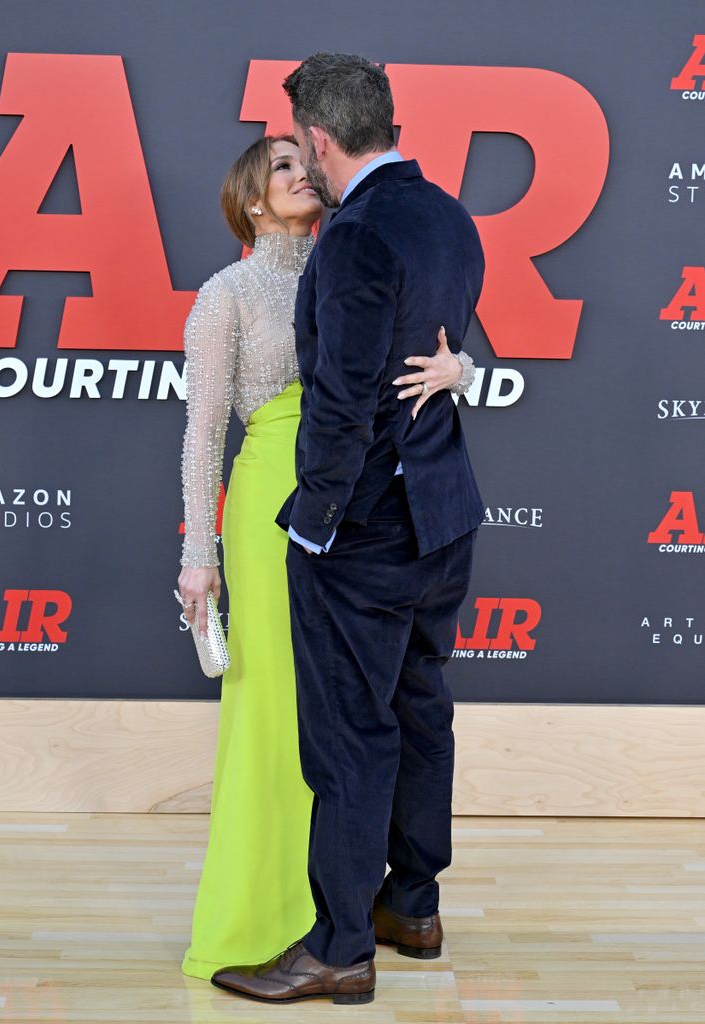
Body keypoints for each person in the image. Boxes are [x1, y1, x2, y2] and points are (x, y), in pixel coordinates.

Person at [210, 52, 485, 1008]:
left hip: (365, 532)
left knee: (351, 735)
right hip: (443, 516)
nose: (301, 165)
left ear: (321, 140)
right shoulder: (448, 214)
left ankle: (337, 948)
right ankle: (412, 905)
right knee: (421, 710)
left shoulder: (356, 236)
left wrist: (314, 525)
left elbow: (345, 401)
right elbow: (443, 349)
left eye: (300, 148)